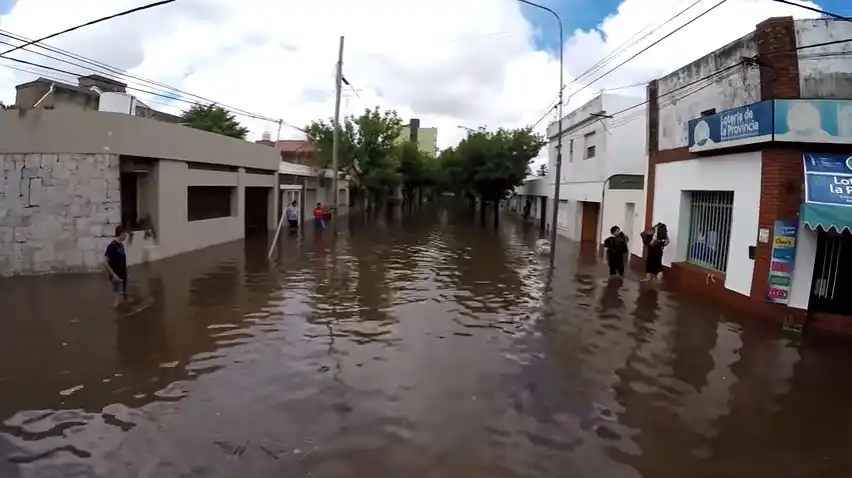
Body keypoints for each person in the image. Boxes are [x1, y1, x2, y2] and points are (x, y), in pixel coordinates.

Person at [104, 225, 129, 308]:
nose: (126, 237)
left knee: (122, 299)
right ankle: (117, 318)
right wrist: (113, 275)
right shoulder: (112, 246)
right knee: (117, 302)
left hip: (122, 276)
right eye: (125, 235)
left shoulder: (121, 245)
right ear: (121, 234)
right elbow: (105, 262)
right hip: (117, 277)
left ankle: (122, 318)